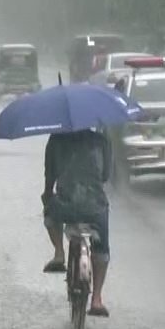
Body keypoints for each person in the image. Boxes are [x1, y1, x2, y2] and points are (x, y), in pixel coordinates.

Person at [41, 127, 112, 316]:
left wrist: (47, 196)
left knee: (50, 214)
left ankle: (59, 253)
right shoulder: (101, 140)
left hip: (65, 205)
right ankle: (96, 299)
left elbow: (50, 175)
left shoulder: (56, 139)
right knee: (101, 251)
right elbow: (105, 175)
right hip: (95, 208)